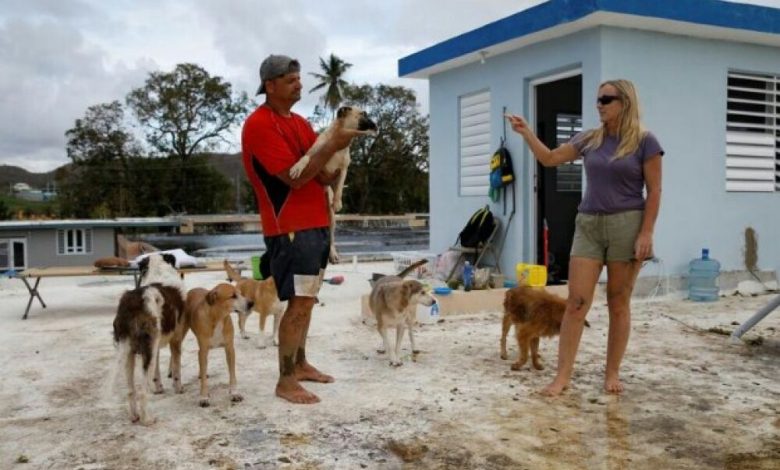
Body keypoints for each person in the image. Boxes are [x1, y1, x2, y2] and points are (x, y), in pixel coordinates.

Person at [506, 79, 663, 396]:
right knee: (576, 303)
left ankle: (612, 373)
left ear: (625, 102)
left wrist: (646, 232)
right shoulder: (590, 139)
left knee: (618, 303)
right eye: (598, 99)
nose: (600, 104)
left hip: (627, 225)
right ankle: (562, 377)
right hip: (588, 225)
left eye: (606, 99)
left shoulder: (645, 141)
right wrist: (527, 134)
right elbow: (550, 158)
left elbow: (655, 190)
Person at [242, 54, 353, 404]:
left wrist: (340, 153)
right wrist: (331, 146)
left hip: (317, 225)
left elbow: (321, 174)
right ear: (270, 86)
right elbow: (296, 178)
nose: (299, 84)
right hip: (289, 227)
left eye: (299, 78)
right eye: (291, 80)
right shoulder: (259, 125)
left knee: (307, 301)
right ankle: (285, 380)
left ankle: (300, 363)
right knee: (298, 303)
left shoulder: (302, 124)